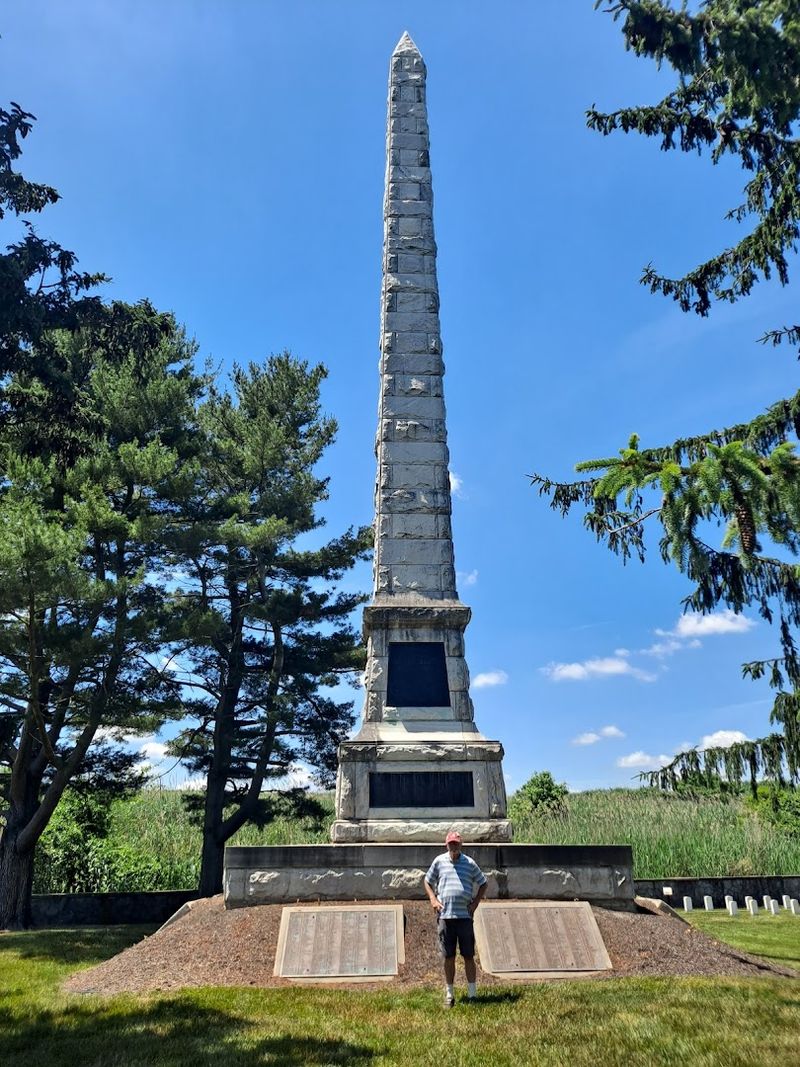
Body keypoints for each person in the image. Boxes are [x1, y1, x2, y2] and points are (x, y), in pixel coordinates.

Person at [424, 830, 488, 1007]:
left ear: (461, 845)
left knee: (468, 955)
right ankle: (449, 994)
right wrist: (433, 899)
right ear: (447, 845)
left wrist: (475, 904)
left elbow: (483, 883)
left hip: (464, 917)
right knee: (448, 957)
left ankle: (472, 995)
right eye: (451, 843)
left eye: (456, 843)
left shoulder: (470, 863)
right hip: (446, 916)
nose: (454, 846)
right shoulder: (439, 862)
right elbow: (427, 881)